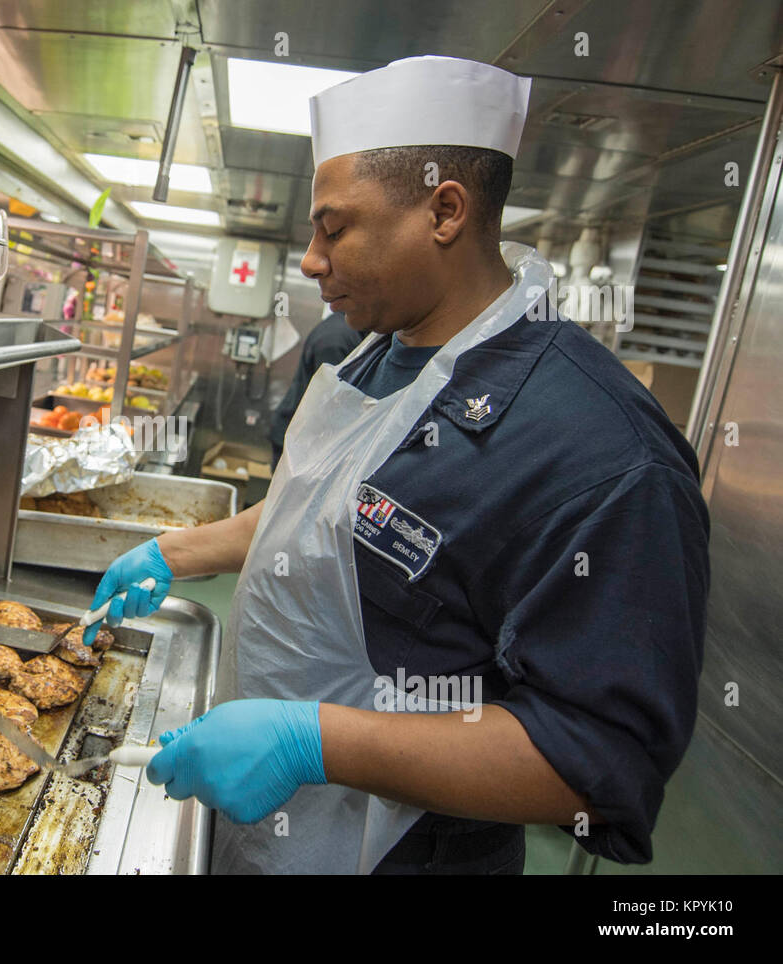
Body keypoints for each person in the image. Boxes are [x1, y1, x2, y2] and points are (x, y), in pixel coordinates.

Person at [81, 55, 710, 874]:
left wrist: (311, 741)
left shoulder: (602, 452)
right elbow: (323, 514)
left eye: (333, 227)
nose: (309, 259)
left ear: (444, 211)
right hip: (261, 832)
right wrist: (181, 551)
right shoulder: (377, 355)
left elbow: (596, 763)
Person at [268, 312, 363, 466]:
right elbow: (332, 403)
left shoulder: (345, 331)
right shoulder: (335, 340)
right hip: (300, 441)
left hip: (303, 437)